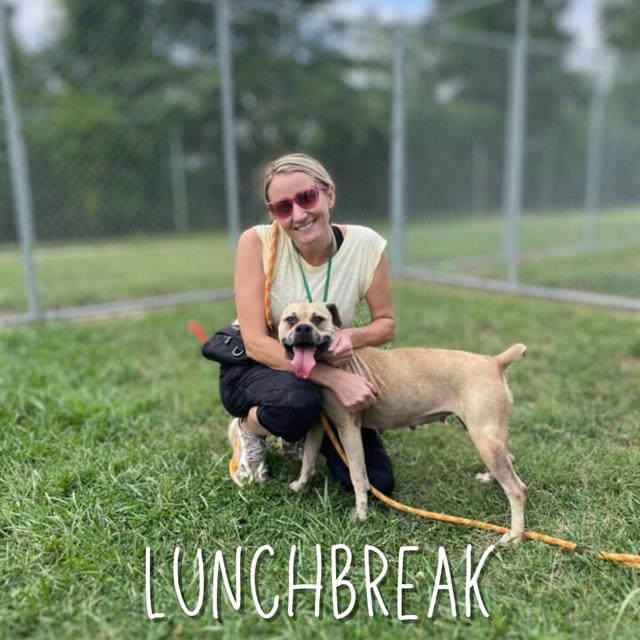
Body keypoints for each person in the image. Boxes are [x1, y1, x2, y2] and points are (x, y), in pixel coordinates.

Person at [220, 152, 395, 495]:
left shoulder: (366, 245)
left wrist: (352, 337)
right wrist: (336, 380)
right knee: (298, 402)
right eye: (283, 207)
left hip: (322, 361)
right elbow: (255, 341)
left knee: (378, 483)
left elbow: (386, 323)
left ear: (328, 194)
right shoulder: (256, 242)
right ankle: (250, 428)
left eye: (307, 197)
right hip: (256, 365)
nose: (298, 214)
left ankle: (300, 429)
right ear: (273, 214)